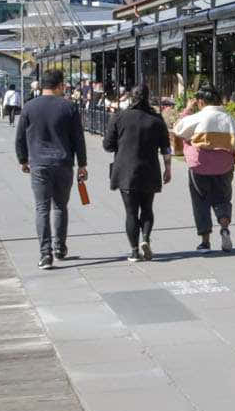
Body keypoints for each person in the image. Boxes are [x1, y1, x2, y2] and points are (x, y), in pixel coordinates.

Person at [14, 69, 88, 269]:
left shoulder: (29, 107)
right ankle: (59, 247)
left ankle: (45, 254)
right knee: (60, 207)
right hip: (63, 164)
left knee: (41, 208)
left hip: (39, 164)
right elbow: (78, 139)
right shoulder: (69, 107)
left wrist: (23, 160)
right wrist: (82, 163)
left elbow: (20, 137)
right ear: (59, 86)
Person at [104, 84, 172, 262]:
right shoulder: (156, 119)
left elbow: (107, 145)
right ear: (148, 97)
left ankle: (134, 251)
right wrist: (168, 169)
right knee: (147, 208)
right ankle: (146, 239)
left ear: (131, 97)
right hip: (149, 169)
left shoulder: (119, 117)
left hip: (125, 170)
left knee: (131, 212)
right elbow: (166, 147)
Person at [171, 86, 235, 253]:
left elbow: (178, 128)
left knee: (200, 202)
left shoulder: (198, 117)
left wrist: (188, 109)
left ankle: (205, 241)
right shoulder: (228, 118)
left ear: (200, 101)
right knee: (223, 199)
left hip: (199, 166)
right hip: (224, 166)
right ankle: (224, 228)